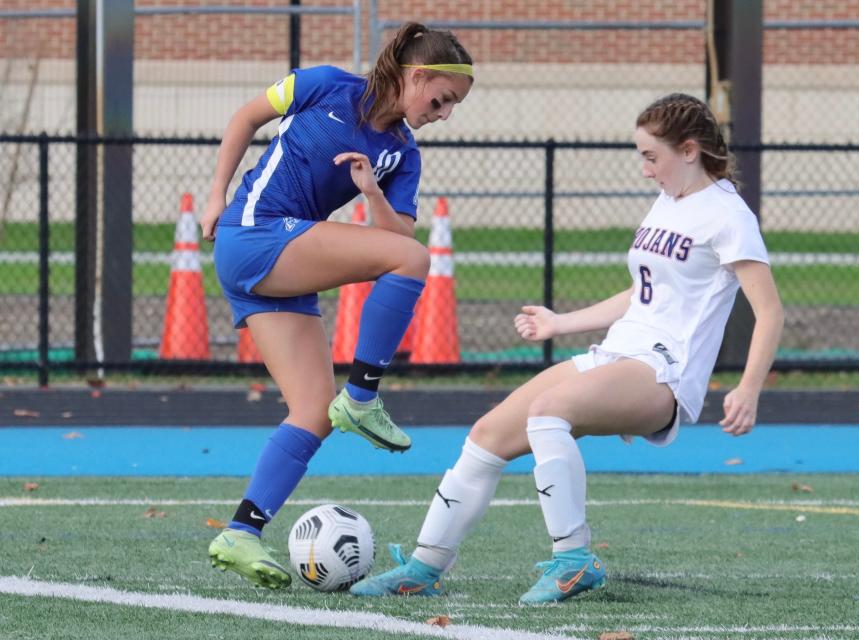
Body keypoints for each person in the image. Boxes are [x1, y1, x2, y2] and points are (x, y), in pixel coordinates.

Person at [350, 93, 784, 604]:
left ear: (689, 150)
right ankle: (423, 568)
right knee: (487, 434)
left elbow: (770, 311)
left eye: (651, 156)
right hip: (616, 355)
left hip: (663, 372)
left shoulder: (729, 214)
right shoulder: (670, 200)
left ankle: (574, 559)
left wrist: (748, 388)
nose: (645, 170)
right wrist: (562, 324)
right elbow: (644, 293)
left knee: (548, 412)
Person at [202, 22, 474, 590]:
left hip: (279, 260)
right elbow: (246, 118)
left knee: (312, 411)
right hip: (255, 233)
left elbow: (396, 232)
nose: (444, 112)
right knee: (416, 262)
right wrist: (215, 194)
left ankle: (241, 532)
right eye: (441, 99)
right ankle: (364, 395)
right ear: (415, 75)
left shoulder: (401, 153)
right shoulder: (324, 85)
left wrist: (370, 190)